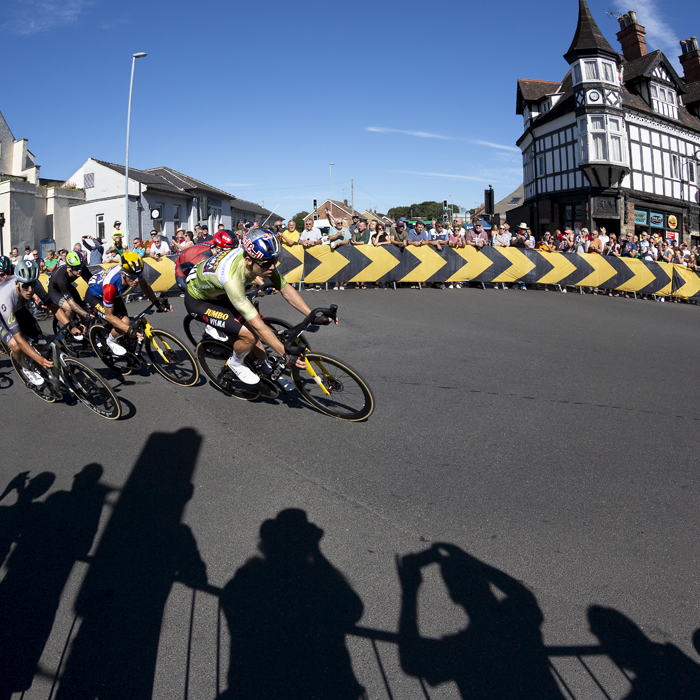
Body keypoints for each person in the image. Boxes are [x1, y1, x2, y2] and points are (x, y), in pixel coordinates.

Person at [185, 229, 336, 386]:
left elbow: (286, 289)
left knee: (253, 327)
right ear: (249, 260)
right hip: (199, 300)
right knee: (250, 334)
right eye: (267, 264)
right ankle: (235, 363)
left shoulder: (261, 260)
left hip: (218, 291)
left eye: (274, 261)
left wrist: (311, 315)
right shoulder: (232, 279)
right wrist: (284, 354)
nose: (272, 267)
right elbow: (258, 326)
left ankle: (264, 367)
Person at [85, 252, 170, 357]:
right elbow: (109, 316)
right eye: (133, 277)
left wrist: (157, 303)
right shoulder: (110, 286)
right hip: (96, 297)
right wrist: (129, 330)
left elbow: (145, 286)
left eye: (139, 275)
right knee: (125, 322)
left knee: (126, 325)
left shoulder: (133, 271)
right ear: (122, 273)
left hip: (115, 295)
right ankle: (110, 340)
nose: (137, 280)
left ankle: (127, 345)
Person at [0, 261, 54, 386]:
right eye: (26, 286)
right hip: (3, 312)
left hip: (18, 308)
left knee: (40, 341)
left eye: (32, 285)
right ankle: (26, 367)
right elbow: (18, 339)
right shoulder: (5, 296)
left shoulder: (29, 281)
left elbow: (51, 304)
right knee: (17, 345)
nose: (30, 289)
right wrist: (40, 360)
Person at [174, 229, 234, 295]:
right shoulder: (203, 257)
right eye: (228, 251)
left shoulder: (215, 243)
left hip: (192, 257)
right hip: (181, 268)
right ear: (217, 249)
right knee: (198, 292)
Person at [47, 252, 93, 334]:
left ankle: (85, 331)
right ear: (68, 267)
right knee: (69, 308)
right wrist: (86, 315)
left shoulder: (81, 268)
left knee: (82, 306)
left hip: (67, 286)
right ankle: (68, 328)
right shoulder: (61, 276)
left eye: (80, 266)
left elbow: (92, 283)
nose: (79, 270)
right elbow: (71, 303)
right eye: (76, 267)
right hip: (54, 291)